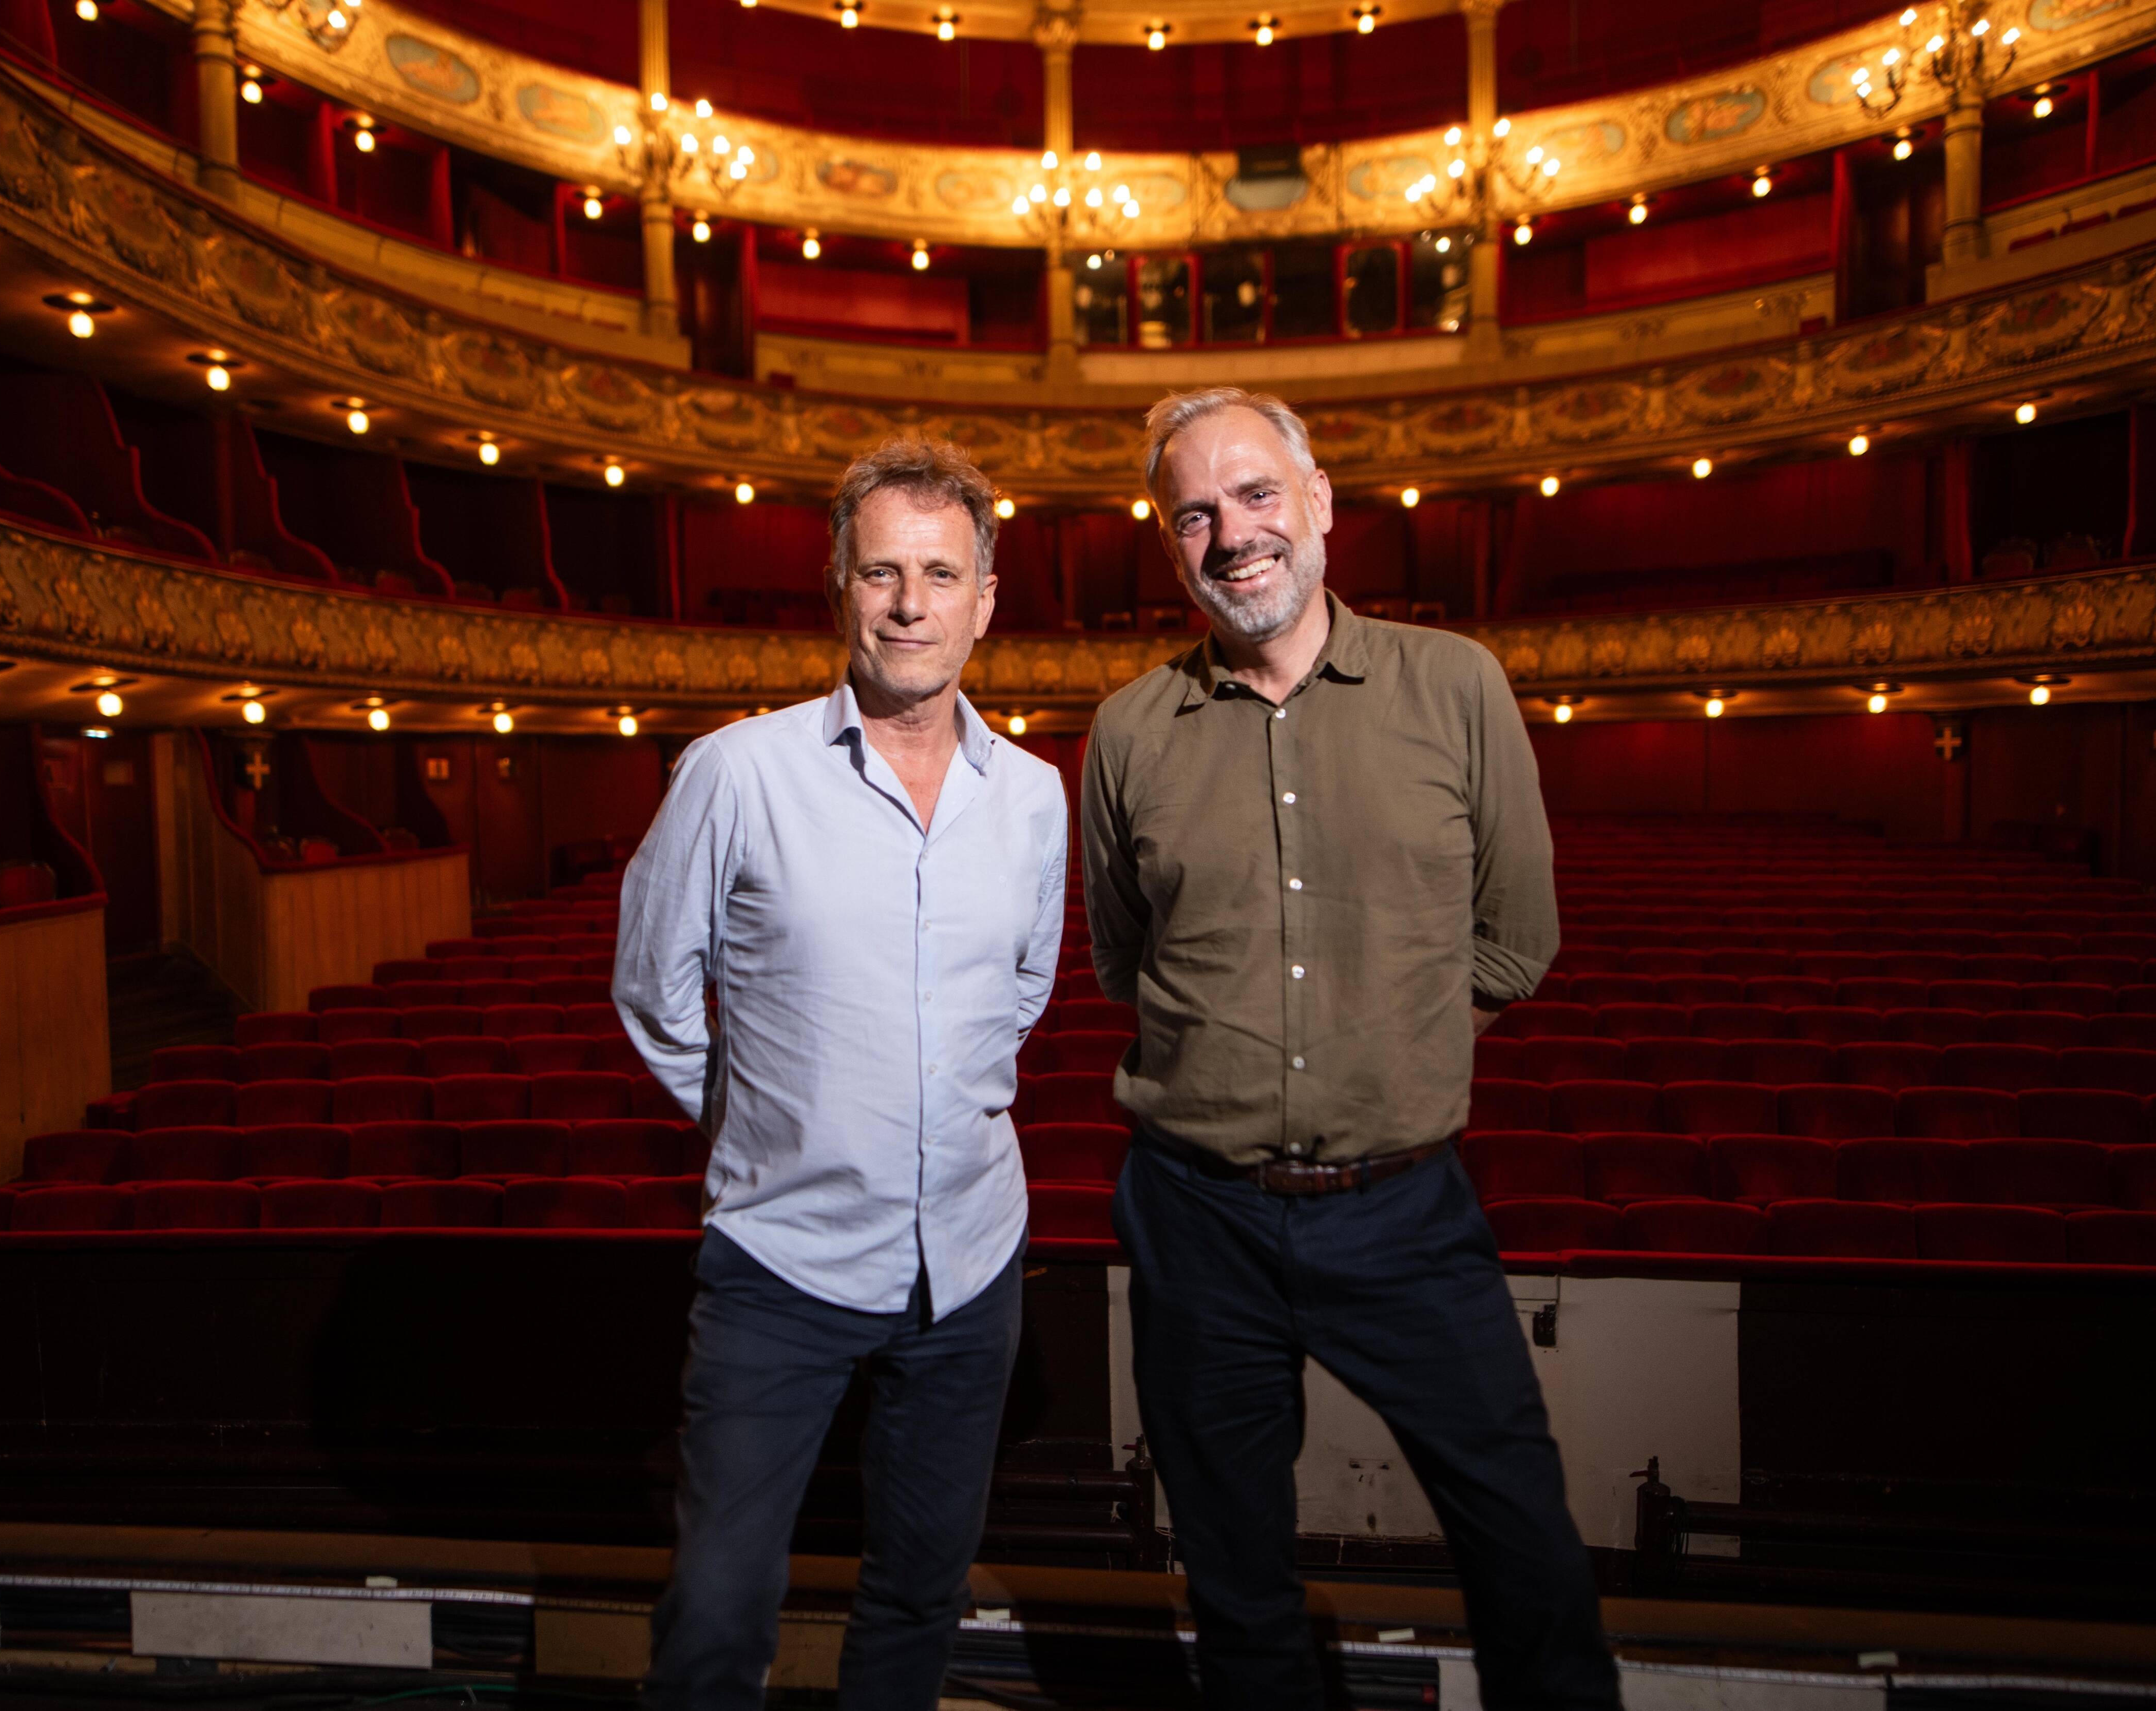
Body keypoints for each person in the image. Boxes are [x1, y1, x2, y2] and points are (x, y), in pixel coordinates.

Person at [1080, 387, 1620, 1710]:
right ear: (1170, 544)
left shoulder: (1458, 684)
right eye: (1194, 512)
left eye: (1257, 494)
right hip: (1194, 1214)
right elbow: (1118, 960)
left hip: (1405, 1211)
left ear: (1319, 503)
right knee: (1236, 1575)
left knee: (1526, 1548)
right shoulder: (1126, 730)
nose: (1233, 534)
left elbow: (1517, 936)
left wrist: (1389, 1044)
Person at [613, 437, 1071, 1710]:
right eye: (883, 572)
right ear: (840, 587)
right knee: (716, 1606)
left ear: (986, 599)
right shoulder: (736, 771)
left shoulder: (1034, 797)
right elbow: (652, 988)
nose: (911, 604)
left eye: (940, 574)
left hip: (970, 1265)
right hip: (781, 1263)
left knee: (921, 1591)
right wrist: (765, 1119)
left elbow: (1021, 995)